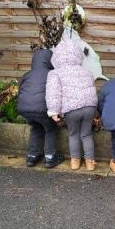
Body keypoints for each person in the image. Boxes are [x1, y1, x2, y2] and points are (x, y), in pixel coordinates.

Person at [46, 39, 98, 171]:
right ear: (78, 55)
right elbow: (92, 89)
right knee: (86, 135)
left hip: (71, 109)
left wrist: (53, 111)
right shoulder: (86, 72)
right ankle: (90, 162)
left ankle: (75, 161)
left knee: (73, 134)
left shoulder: (55, 73)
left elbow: (54, 93)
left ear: (56, 57)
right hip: (89, 107)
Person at [18, 48, 63, 168]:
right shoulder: (52, 75)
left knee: (36, 129)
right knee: (51, 129)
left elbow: (20, 90)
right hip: (43, 109)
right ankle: (50, 157)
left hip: (25, 109)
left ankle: (31, 156)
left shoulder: (26, 75)